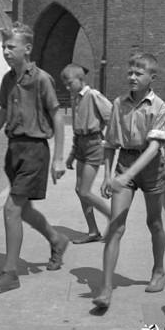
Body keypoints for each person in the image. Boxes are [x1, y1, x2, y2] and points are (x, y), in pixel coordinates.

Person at [0, 22, 68, 294]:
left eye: (10, 46)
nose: (5, 51)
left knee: (11, 209)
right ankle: (56, 239)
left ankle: (10, 273)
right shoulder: (7, 80)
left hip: (35, 151)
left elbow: (58, 115)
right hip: (13, 151)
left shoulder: (41, 79)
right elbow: (2, 111)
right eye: (3, 46)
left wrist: (59, 158)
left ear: (26, 49)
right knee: (23, 209)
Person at [93, 52, 165, 309]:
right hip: (125, 161)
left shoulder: (158, 107)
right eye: (130, 72)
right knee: (115, 226)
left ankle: (158, 270)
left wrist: (127, 175)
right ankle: (105, 288)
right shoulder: (119, 104)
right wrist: (107, 174)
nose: (132, 77)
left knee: (154, 222)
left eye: (139, 73)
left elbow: (153, 149)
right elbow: (110, 142)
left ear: (152, 78)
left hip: (150, 168)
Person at [60, 63, 112, 243]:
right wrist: (73, 153)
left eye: (70, 83)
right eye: (65, 85)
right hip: (81, 144)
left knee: (84, 191)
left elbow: (111, 117)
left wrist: (107, 142)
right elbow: (77, 128)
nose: (67, 87)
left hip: (93, 145)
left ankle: (114, 219)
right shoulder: (76, 99)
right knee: (79, 189)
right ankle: (93, 232)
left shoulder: (93, 95)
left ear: (81, 80)